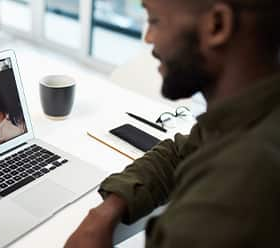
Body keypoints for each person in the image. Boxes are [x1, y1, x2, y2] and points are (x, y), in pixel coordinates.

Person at [65, 0, 280, 247]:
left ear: (217, 25)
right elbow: (180, 153)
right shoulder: (249, 115)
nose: (148, 38)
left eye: (155, 20)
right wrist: (104, 212)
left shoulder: (226, 201)